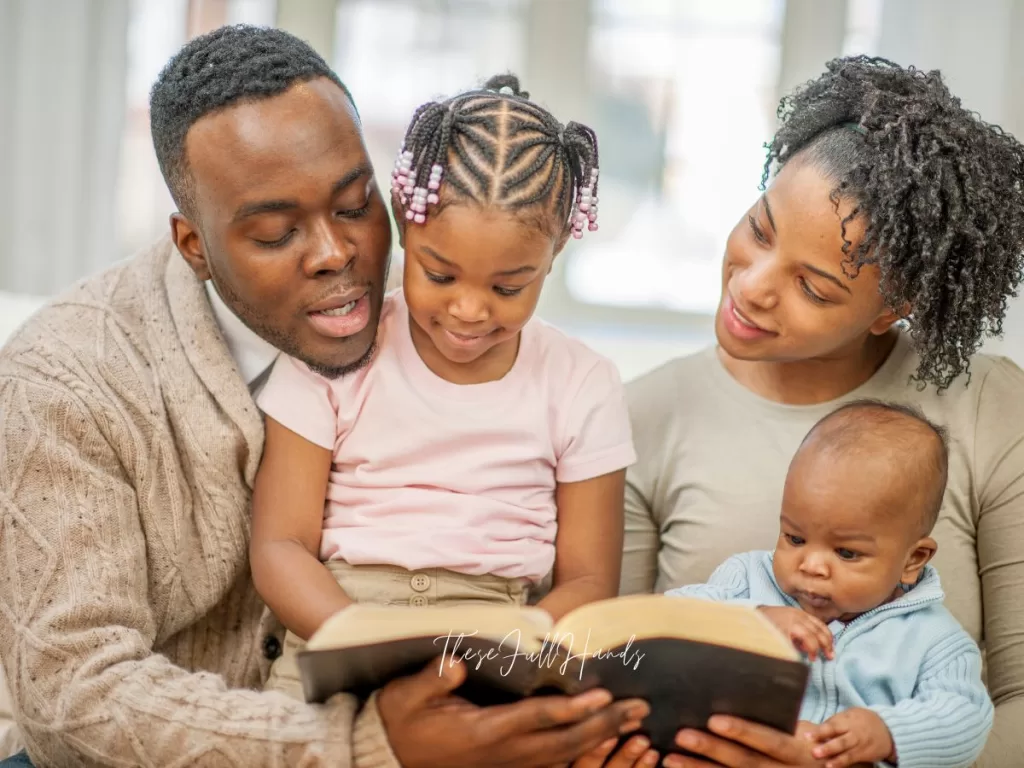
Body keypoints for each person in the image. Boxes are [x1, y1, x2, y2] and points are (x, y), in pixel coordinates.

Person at [0, 25, 650, 767]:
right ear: (194, 248)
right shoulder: (64, 382)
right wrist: (366, 740)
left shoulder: (531, 367)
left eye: (352, 204)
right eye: (277, 233)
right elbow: (74, 698)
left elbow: (583, 582)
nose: (335, 253)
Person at [620, 55, 1024, 767]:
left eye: (814, 286)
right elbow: (613, 651)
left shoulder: (990, 409)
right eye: (760, 228)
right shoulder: (644, 414)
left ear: (892, 309)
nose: (752, 286)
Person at [250, 73, 636, 701]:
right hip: (341, 624)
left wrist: (511, 647)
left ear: (556, 252)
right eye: (439, 273)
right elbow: (280, 545)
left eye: (509, 288)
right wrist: (357, 638)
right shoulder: (335, 351)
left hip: (504, 640)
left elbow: (590, 581)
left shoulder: (583, 383)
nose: (469, 311)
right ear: (405, 224)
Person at [669, 400, 994, 768]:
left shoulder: (934, 640)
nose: (811, 566)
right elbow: (662, 617)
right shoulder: (746, 580)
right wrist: (751, 620)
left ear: (912, 560)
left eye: (846, 553)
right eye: (794, 538)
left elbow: (966, 717)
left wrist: (888, 733)